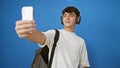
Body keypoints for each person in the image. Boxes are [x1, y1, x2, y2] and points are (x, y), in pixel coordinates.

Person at [15, 6, 90, 68]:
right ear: (61, 19)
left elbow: (84, 64)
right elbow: (41, 37)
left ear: (77, 19)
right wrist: (29, 33)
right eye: (65, 15)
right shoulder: (54, 34)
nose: (67, 18)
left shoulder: (81, 41)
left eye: (71, 15)